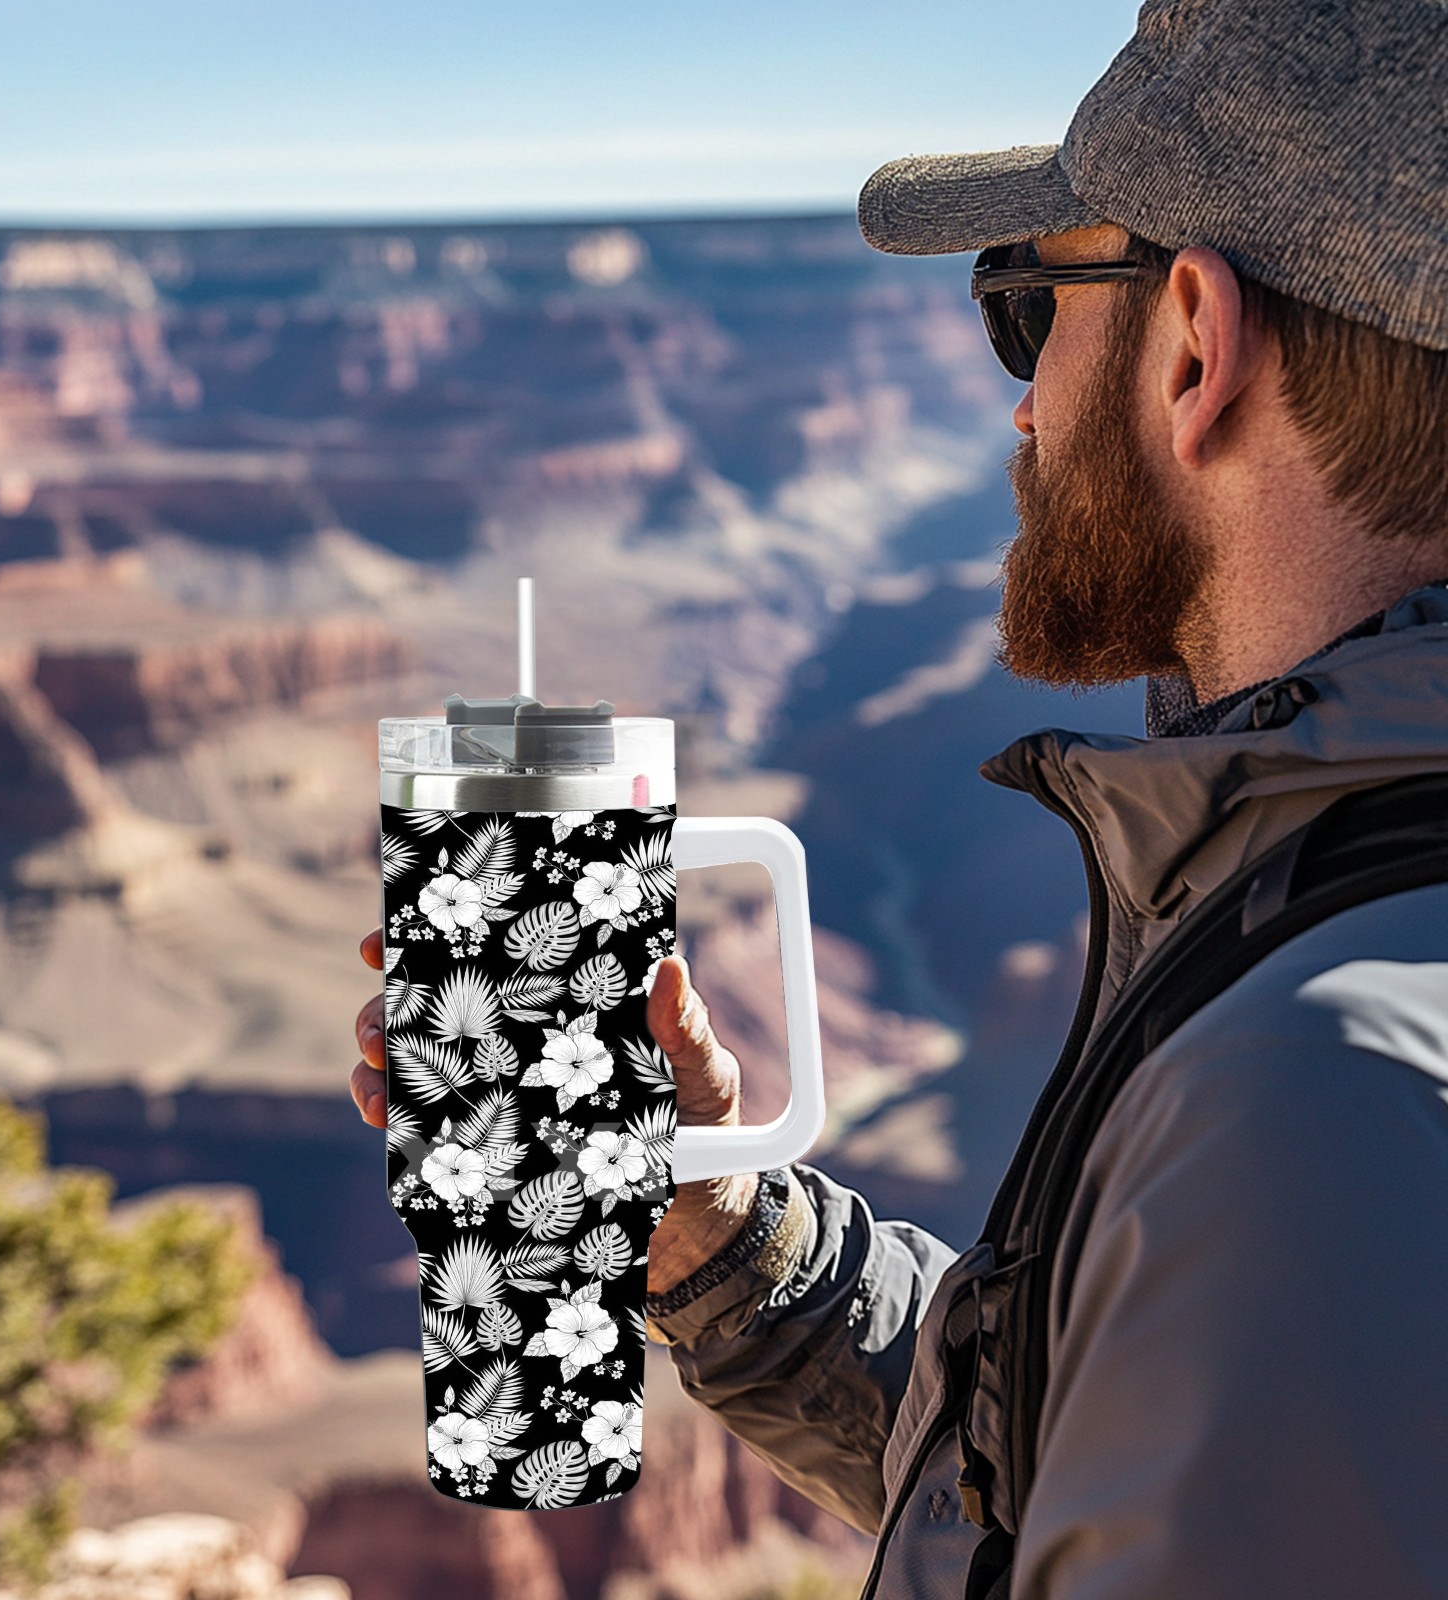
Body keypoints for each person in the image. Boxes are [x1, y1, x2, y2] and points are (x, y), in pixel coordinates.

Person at [353, 0, 1448, 1591]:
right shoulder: (1341, 968)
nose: (1021, 402)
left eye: (1030, 305)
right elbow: (1088, 1471)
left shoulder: (1309, 1104)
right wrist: (715, 1223)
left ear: (1194, 343)